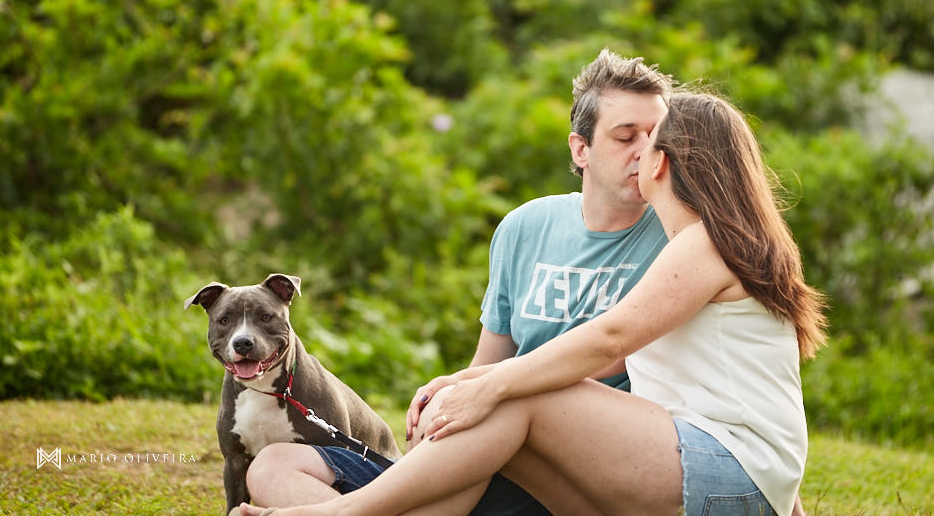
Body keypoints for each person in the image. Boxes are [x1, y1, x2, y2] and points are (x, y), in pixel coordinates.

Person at [241, 90, 828, 516]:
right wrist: (472, 383)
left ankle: (342, 515)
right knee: (507, 394)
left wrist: (490, 384)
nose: (637, 153)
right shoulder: (706, 243)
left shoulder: (704, 245)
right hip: (711, 478)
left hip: (721, 476)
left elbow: (610, 339)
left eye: (647, 141)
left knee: (525, 391)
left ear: (666, 162)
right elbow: (763, 402)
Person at [244, 50, 675, 515]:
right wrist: (451, 401)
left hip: (573, 468)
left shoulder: (677, 237)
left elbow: (599, 359)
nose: (646, 151)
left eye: (657, 136)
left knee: (495, 403)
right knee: (272, 466)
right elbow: (491, 358)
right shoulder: (526, 226)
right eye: (626, 136)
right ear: (580, 149)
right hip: (493, 441)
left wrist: (479, 393)